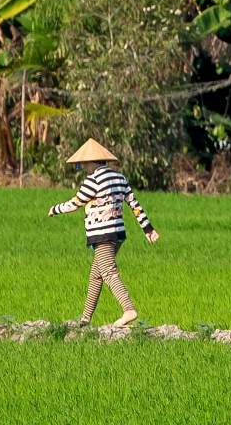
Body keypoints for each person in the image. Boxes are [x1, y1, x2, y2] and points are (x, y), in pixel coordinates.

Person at [48, 139, 156, 327]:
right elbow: (134, 205)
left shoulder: (93, 180)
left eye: (83, 164)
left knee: (108, 272)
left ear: (91, 162)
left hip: (102, 235)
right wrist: (148, 229)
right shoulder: (120, 178)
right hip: (117, 234)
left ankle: (128, 309)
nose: (82, 167)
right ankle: (85, 319)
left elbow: (76, 203)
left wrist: (55, 209)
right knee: (96, 275)